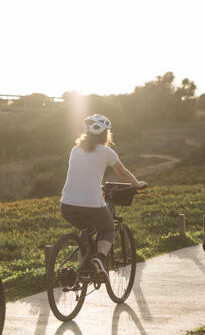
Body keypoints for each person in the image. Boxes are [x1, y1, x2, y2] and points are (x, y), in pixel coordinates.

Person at [60, 114, 146, 278]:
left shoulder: (75, 149)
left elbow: (82, 172)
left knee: (86, 231)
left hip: (66, 205)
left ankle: (82, 272)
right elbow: (123, 173)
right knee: (107, 229)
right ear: (106, 134)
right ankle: (99, 258)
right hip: (92, 205)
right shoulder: (107, 152)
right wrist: (137, 184)